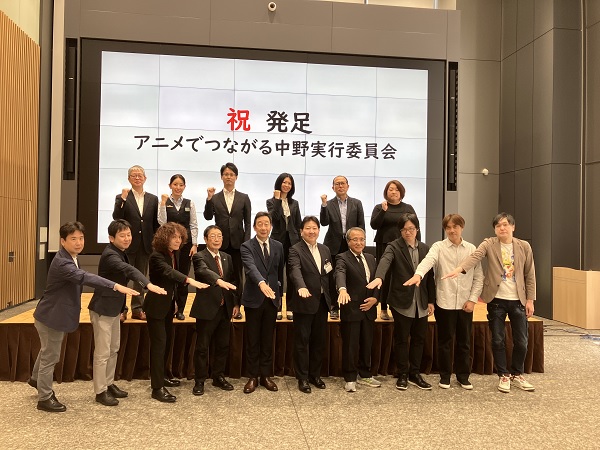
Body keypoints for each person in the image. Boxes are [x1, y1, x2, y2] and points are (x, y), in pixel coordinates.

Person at [29, 222, 139, 412]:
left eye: (81, 238)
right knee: (50, 356)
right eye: (73, 239)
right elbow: (84, 277)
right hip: (51, 316)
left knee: (47, 350)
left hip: (53, 313)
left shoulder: (71, 256)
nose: (79, 242)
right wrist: (115, 285)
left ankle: (35, 379)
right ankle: (44, 398)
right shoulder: (63, 262)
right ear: (62, 241)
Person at [442, 212, 536, 393]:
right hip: (496, 300)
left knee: (522, 341)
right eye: (498, 225)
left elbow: (530, 274)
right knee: (498, 340)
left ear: (513, 227)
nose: (502, 228)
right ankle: (503, 375)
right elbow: (475, 257)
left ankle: (517, 374)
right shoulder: (489, 244)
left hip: (519, 300)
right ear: (494, 229)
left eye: (505, 224)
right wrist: (459, 269)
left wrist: (530, 300)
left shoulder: (524, 246)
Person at [88, 220, 167, 406]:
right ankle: (100, 391)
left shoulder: (120, 252)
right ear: (111, 238)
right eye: (122, 235)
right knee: (102, 353)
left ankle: (109, 383)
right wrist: (148, 284)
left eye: (128, 235)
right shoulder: (110, 255)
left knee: (113, 348)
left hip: (114, 309)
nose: (127, 238)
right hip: (103, 309)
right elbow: (128, 270)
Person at [404, 214, 483, 390]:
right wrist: (418, 274)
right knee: (444, 342)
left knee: (464, 342)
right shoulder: (438, 247)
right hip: (444, 301)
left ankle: (463, 376)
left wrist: (472, 300)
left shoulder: (471, 249)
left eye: (455, 226)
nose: (452, 230)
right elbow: (428, 261)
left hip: (465, 303)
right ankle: (445, 376)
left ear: (462, 227)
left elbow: (479, 277)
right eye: (448, 227)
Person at [367, 213, 435, 391]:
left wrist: (431, 300)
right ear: (400, 231)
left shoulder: (425, 248)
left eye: (411, 229)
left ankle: (415, 373)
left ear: (417, 229)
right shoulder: (394, 247)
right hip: (401, 301)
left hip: (421, 301)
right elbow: (384, 262)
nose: (408, 232)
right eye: (404, 229)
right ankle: (403, 373)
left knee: (419, 339)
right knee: (401, 339)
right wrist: (379, 277)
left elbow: (430, 277)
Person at [143, 222, 209, 402]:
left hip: (168, 306)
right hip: (156, 307)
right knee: (158, 346)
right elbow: (169, 273)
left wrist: (176, 303)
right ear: (165, 238)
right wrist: (190, 281)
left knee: (166, 344)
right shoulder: (157, 256)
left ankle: (163, 376)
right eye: (174, 237)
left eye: (180, 237)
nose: (178, 240)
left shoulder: (173, 254)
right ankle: (157, 388)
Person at [190, 225, 239, 396]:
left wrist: (235, 304)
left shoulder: (227, 257)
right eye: (213, 236)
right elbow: (202, 271)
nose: (217, 239)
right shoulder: (199, 256)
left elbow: (233, 280)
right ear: (205, 239)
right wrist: (219, 280)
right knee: (202, 347)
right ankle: (200, 380)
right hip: (207, 308)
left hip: (225, 308)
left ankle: (218, 376)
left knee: (223, 345)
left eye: (219, 236)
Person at [240, 212, 284, 394]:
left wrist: (280, 298)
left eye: (267, 224)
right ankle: (252, 376)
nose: (264, 227)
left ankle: (266, 375)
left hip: (272, 299)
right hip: (254, 299)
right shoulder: (246, 246)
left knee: (267, 339)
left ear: (271, 226)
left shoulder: (278, 246)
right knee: (253, 339)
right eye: (260, 224)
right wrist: (261, 283)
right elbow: (250, 268)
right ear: (254, 227)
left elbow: (279, 273)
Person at [288, 216, 333, 393]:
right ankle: (303, 378)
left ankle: (315, 375)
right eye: (308, 228)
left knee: (318, 342)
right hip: (304, 301)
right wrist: (301, 286)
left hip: (322, 302)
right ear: (301, 231)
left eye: (314, 228)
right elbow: (295, 270)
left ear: (319, 231)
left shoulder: (325, 249)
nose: (311, 231)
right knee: (302, 342)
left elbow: (328, 274)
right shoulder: (295, 250)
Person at [335, 227, 381, 392]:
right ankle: (350, 378)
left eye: (362, 239)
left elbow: (377, 280)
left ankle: (366, 374)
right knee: (351, 345)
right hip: (352, 308)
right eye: (355, 239)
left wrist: (375, 299)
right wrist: (342, 289)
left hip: (369, 309)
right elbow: (340, 274)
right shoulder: (342, 258)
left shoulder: (370, 258)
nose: (359, 242)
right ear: (348, 242)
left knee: (367, 344)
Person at [204, 162, 251, 320]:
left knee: (237, 276)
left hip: (238, 244)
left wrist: (246, 243)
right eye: (226, 174)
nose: (228, 177)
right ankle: (223, 305)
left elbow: (248, 222)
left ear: (236, 177)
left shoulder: (244, 197)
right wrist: (209, 199)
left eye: (231, 174)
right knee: (221, 275)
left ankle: (237, 306)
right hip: (220, 243)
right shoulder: (215, 197)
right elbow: (208, 217)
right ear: (221, 177)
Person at [112, 165, 160, 320]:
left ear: (145, 178)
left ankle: (138, 308)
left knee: (140, 278)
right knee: (123, 278)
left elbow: (155, 223)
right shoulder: (122, 197)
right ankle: (121, 309)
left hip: (145, 244)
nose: (137, 178)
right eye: (134, 175)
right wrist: (123, 199)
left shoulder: (153, 198)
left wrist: (155, 243)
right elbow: (116, 217)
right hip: (126, 244)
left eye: (140, 175)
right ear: (129, 179)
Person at [370, 179, 419, 321]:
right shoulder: (380, 207)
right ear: (386, 192)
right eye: (390, 189)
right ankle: (383, 308)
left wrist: (418, 244)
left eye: (397, 189)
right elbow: (374, 225)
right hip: (384, 245)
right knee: (384, 276)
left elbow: (416, 227)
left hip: (403, 246)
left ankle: (398, 306)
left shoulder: (408, 208)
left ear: (401, 192)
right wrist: (383, 211)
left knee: (401, 275)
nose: (393, 192)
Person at [320, 175, 365, 320]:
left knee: (353, 275)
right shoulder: (329, 204)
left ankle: (350, 305)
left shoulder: (356, 203)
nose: (340, 186)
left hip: (351, 243)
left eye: (343, 183)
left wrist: (360, 243)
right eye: (337, 184)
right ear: (333, 187)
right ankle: (334, 306)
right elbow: (324, 222)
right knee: (333, 276)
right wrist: (323, 205)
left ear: (348, 186)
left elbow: (361, 225)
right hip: (333, 244)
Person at [158, 174, 199, 320]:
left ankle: (180, 309)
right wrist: (163, 204)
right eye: (175, 184)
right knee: (169, 276)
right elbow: (162, 222)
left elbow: (193, 225)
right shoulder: (164, 201)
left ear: (184, 187)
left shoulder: (189, 203)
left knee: (183, 277)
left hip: (186, 246)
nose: (178, 187)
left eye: (181, 185)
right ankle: (168, 307)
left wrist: (194, 244)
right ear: (170, 186)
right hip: (169, 246)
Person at [266, 172, 302, 321]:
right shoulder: (271, 201)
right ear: (279, 184)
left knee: (292, 274)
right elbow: (273, 218)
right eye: (284, 182)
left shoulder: (295, 203)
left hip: (293, 242)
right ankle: (278, 306)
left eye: (289, 183)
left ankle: (291, 307)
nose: (286, 185)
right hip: (277, 241)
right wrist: (277, 200)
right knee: (277, 275)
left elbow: (299, 223)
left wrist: (301, 242)